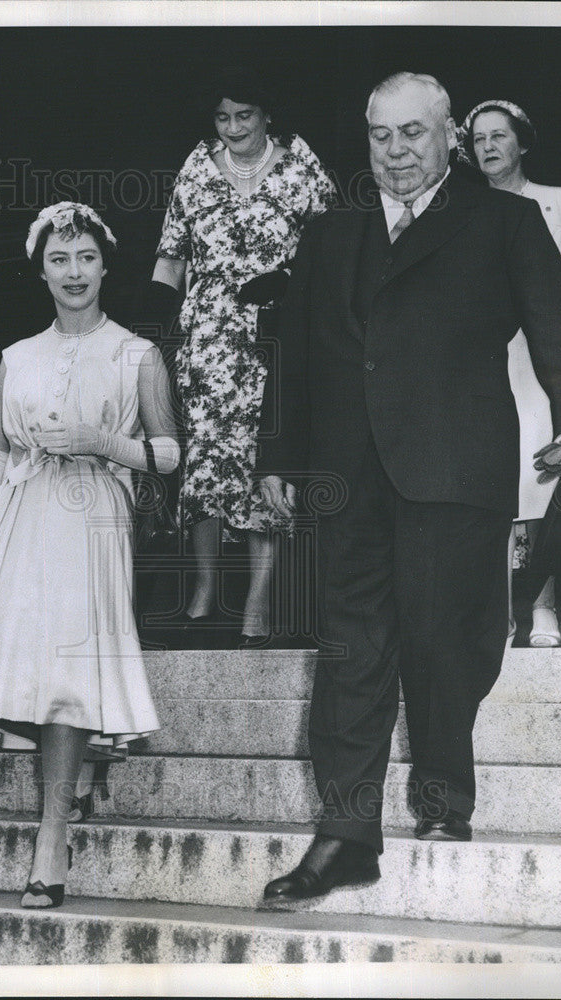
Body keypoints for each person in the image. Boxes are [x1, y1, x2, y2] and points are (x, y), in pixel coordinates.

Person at [257, 73, 561, 902]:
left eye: (413, 135)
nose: (395, 152)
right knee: (352, 651)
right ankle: (347, 832)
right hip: (350, 477)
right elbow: (294, 350)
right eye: (380, 136)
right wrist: (277, 456)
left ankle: (441, 796)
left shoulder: (506, 221)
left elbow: (557, 332)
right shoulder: (331, 233)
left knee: (445, 640)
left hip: (456, 469)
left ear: (449, 135)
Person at [0, 202, 179, 908]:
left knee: (68, 672)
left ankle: (50, 838)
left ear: (104, 265)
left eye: (86, 258)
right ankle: (78, 779)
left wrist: (103, 443)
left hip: (93, 517)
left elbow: (168, 452)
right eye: (59, 260)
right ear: (41, 270)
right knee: (33, 668)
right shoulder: (17, 358)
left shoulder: (136, 354)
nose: (74, 272)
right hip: (19, 517)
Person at [147, 67, 335, 645]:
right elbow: (170, 256)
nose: (233, 128)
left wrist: (287, 282)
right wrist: (151, 333)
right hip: (208, 336)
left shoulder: (302, 165)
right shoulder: (197, 167)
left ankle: (258, 596)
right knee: (204, 458)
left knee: (263, 461)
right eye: (223, 118)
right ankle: (205, 590)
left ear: (268, 115)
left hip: (277, 335)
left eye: (245, 116)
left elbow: (331, 252)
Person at [459, 99, 561, 647]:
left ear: (521, 142)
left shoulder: (560, 203)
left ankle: (542, 607)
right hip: (489, 364)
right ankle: (497, 611)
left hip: (548, 361)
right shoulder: (463, 212)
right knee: (497, 486)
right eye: (478, 140)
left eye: (499, 136)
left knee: (543, 483)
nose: (489, 147)